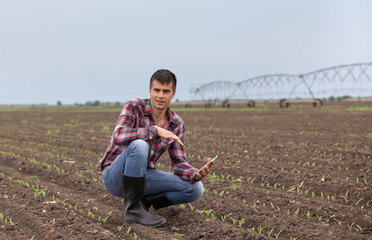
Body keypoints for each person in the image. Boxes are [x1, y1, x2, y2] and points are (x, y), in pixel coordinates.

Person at [98, 69, 214, 227]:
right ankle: (132, 210)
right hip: (115, 176)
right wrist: (154, 130)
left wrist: (195, 173)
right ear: (150, 91)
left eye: (166, 91)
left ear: (173, 94)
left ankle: (143, 203)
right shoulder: (134, 106)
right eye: (157, 90)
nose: (160, 96)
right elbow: (118, 135)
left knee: (195, 189)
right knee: (140, 145)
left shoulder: (176, 124)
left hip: (142, 178)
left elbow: (179, 163)